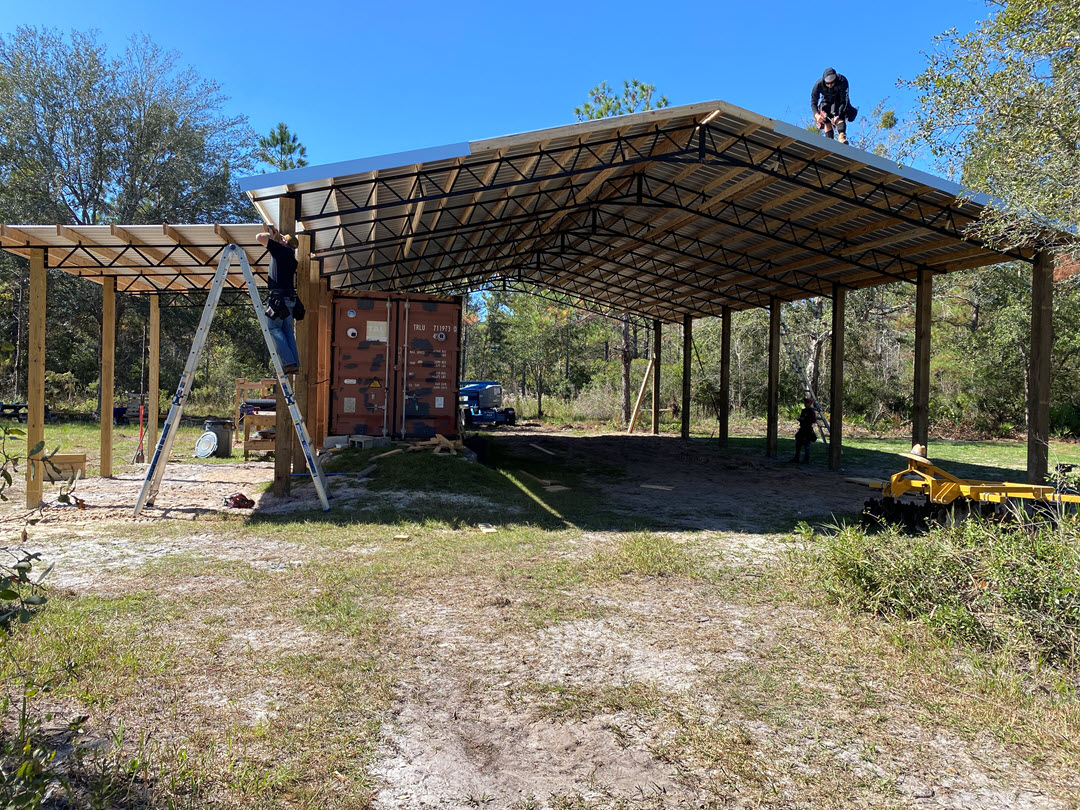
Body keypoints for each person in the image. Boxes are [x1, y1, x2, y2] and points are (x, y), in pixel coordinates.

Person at [255, 223, 301, 375]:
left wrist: (272, 236)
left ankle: (288, 363)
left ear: (285, 243)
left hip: (278, 298)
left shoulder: (281, 251)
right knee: (287, 331)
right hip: (288, 299)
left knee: (274, 328)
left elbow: (259, 237)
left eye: (283, 239)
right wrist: (277, 238)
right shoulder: (292, 258)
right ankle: (294, 364)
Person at [810, 67, 851, 144]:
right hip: (826, 100)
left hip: (839, 101)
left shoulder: (842, 81)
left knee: (838, 114)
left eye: (832, 82)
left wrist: (838, 115)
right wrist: (816, 115)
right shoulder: (818, 84)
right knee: (825, 119)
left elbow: (844, 100)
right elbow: (813, 101)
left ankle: (842, 136)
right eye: (827, 83)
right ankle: (829, 141)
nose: (830, 85)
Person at [791, 397, 817, 463]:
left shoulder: (811, 411)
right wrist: (800, 419)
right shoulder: (803, 410)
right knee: (798, 444)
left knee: (806, 445)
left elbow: (814, 420)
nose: (805, 404)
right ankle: (796, 458)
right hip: (802, 429)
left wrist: (805, 419)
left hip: (807, 430)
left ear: (810, 403)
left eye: (807, 402)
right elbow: (802, 418)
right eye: (805, 402)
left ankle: (806, 459)